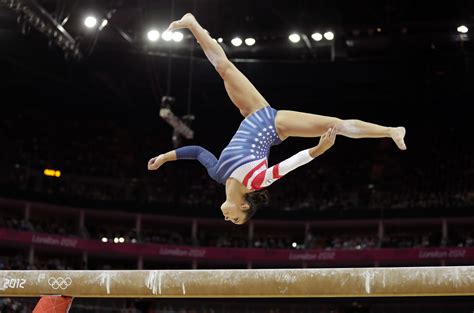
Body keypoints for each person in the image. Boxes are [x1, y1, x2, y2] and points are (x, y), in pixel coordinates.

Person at [148, 13, 406, 225]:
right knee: (335, 124)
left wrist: (164, 158)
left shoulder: (218, 174)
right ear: (244, 205)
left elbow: (196, 151)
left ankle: (192, 24)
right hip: (273, 124)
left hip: (252, 112)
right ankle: (390, 130)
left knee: (225, 68)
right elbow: (291, 164)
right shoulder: (256, 182)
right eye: (237, 219)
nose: (229, 220)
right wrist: (318, 149)